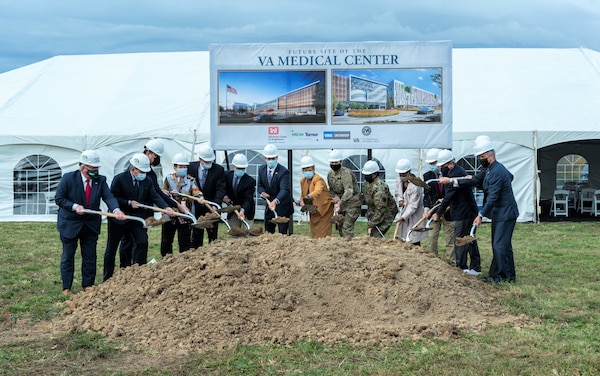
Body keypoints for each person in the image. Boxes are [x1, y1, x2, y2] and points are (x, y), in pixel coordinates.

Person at [55, 150, 125, 295]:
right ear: (83, 167)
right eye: (92, 168)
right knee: (68, 255)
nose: (95, 171)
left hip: (90, 224)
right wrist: (75, 207)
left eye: (97, 168)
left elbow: (109, 197)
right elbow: (59, 199)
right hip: (70, 223)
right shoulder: (69, 178)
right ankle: (66, 287)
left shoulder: (101, 180)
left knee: (90, 256)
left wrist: (116, 209)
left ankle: (87, 285)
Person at [103, 153, 175, 281]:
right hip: (119, 217)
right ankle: (110, 276)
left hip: (137, 218)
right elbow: (112, 197)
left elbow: (155, 196)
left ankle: (139, 272)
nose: (144, 174)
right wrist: (128, 202)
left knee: (142, 241)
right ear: (133, 169)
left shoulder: (147, 180)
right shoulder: (120, 179)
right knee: (113, 247)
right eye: (142, 171)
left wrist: (166, 207)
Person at [472, 136, 519, 283]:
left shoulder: (497, 171)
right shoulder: (491, 169)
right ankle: (504, 276)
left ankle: (503, 277)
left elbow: (493, 197)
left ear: (491, 156)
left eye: (482, 156)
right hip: (500, 213)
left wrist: (481, 214)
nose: (480, 159)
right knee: (502, 245)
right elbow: (509, 177)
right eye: (479, 156)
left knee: (500, 246)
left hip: (505, 213)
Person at [432, 150, 482, 275]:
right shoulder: (453, 172)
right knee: (469, 239)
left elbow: (449, 196)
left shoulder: (457, 173)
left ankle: (462, 268)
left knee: (459, 239)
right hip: (465, 210)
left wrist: (438, 213)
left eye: (442, 166)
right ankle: (475, 267)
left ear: (450, 164)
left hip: (465, 212)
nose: (440, 168)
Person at [160, 152, 200, 256]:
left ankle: (184, 261)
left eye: (185, 167)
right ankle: (166, 259)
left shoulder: (191, 180)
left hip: (185, 215)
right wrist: (167, 193)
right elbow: (162, 192)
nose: (183, 169)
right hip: (170, 214)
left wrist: (200, 198)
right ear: (175, 167)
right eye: (180, 166)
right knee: (166, 241)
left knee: (184, 242)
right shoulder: (168, 179)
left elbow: (196, 192)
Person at [189, 144, 226, 248]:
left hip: (211, 207)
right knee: (196, 235)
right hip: (196, 206)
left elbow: (221, 189)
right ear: (200, 158)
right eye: (206, 161)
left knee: (212, 235)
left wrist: (215, 204)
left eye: (211, 161)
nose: (209, 163)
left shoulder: (218, 170)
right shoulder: (190, 167)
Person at [423, 148, 455, 263]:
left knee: (450, 240)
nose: (431, 166)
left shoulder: (449, 174)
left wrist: (445, 201)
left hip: (448, 211)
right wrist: (426, 208)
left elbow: (452, 192)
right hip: (434, 211)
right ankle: (434, 263)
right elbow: (426, 195)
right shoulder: (427, 176)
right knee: (431, 238)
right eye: (430, 164)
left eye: (433, 163)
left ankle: (451, 263)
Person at [257, 144, 293, 234]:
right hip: (269, 205)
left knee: (282, 232)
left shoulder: (283, 171)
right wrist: (262, 192)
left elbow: (284, 189)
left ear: (277, 157)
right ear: (265, 158)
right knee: (269, 230)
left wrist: (276, 201)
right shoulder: (261, 169)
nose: (271, 161)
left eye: (273, 158)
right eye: (269, 159)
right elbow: (260, 185)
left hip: (282, 205)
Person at [327, 149, 362, 238]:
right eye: (332, 162)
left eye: (336, 162)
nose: (334, 164)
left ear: (341, 162)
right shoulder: (330, 174)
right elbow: (331, 189)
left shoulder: (346, 173)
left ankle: (350, 247)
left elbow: (349, 191)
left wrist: (339, 202)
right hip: (342, 204)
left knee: (347, 228)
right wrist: (335, 197)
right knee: (340, 226)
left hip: (352, 204)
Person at [298, 155, 334, 238]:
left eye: (309, 169)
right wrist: (301, 201)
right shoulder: (302, 181)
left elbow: (318, 191)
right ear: (302, 170)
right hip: (313, 209)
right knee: (314, 232)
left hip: (325, 209)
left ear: (313, 169)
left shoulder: (318, 179)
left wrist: (308, 196)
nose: (307, 171)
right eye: (305, 170)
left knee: (323, 233)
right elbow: (303, 194)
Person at [393, 159, 427, 245]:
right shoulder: (399, 180)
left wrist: (403, 217)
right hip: (405, 212)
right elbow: (397, 193)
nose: (401, 176)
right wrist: (400, 200)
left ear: (409, 172)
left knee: (413, 237)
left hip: (414, 215)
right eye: (400, 174)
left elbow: (413, 205)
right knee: (404, 237)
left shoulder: (416, 185)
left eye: (403, 174)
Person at [361, 160, 398, 237]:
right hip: (376, 210)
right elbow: (368, 198)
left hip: (387, 212)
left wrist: (372, 223)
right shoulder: (366, 183)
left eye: (369, 174)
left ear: (375, 174)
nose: (366, 176)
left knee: (376, 235)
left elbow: (381, 209)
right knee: (371, 233)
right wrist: (369, 211)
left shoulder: (380, 188)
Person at [223, 153, 256, 230]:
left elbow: (248, 198)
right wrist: (225, 196)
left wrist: (242, 210)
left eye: (243, 168)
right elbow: (221, 188)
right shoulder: (226, 176)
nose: (241, 170)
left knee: (247, 233)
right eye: (238, 168)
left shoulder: (250, 181)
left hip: (246, 210)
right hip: (233, 208)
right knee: (234, 232)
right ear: (234, 167)